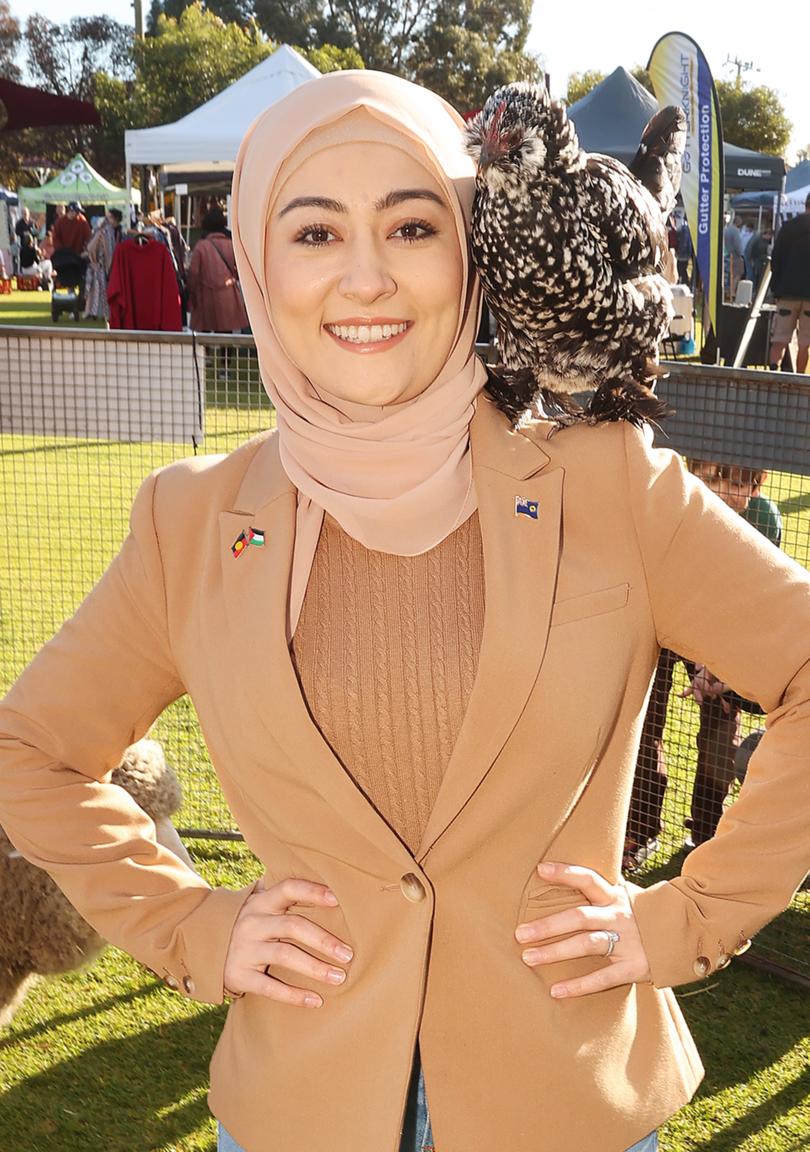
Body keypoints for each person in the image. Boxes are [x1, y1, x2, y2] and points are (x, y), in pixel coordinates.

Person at [0, 70, 809, 1152]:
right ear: (254, 258)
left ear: (471, 249)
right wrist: (190, 923)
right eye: (317, 231)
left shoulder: (612, 483)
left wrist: (690, 917)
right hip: (299, 1113)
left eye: (413, 224)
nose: (368, 278)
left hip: (568, 1110)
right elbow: (32, 750)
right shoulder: (189, 522)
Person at [623, 460, 783, 869]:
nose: (718, 490)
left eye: (733, 481)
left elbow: (755, 598)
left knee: (718, 737)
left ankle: (705, 834)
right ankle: (641, 827)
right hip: (664, 620)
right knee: (644, 725)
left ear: (755, 487)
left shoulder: (763, 522)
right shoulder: (675, 503)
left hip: (725, 630)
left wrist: (714, 659)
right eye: (709, 477)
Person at [767, 194, 810, 373]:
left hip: (786, 293)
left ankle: (773, 376)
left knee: (780, 339)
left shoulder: (788, 227)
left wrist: (777, 288)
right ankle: (800, 381)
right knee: (805, 344)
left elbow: (775, 260)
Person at [187, 207, 248, 332]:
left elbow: (193, 274)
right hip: (228, 296)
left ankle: (208, 352)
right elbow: (241, 269)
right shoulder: (232, 245)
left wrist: (191, 292)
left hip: (206, 299)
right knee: (226, 335)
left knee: (206, 337)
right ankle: (226, 352)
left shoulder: (201, 247)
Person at [84, 207, 123, 321]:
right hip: (99, 265)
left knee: (102, 291)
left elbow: (108, 250)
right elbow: (95, 248)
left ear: (116, 219)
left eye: (110, 217)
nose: (107, 219)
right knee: (96, 290)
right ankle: (95, 313)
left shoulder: (110, 231)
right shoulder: (105, 230)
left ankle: (100, 313)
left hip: (103, 266)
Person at [723, 213, 744, 300]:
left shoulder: (727, 229)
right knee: (738, 273)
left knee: (730, 274)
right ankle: (732, 291)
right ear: (738, 223)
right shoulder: (735, 231)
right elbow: (737, 245)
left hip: (728, 253)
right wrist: (740, 254)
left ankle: (729, 290)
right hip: (735, 255)